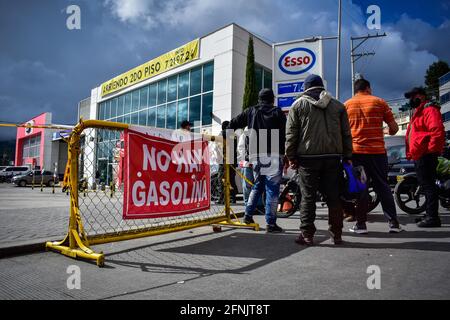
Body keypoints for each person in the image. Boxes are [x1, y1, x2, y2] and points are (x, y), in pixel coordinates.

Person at [286, 74, 352, 245]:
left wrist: (291, 156)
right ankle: (336, 234)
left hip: (308, 159)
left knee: (308, 197)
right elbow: (346, 134)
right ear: (321, 87)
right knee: (333, 197)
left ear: (305, 88)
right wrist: (348, 156)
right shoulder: (338, 106)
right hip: (332, 158)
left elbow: (291, 134)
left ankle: (307, 235)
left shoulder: (298, 105)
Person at [344, 78, 403, 234]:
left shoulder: (346, 105)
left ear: (355, 90)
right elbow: (394, 128)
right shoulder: (379, 102)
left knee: (361, 189)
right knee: (383, 187)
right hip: (377, 154)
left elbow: (342, 132)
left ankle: (361, 225)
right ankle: (393, 223)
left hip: (357, 155)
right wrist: (384, 131)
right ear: (368, 88)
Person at [229, 88, 286, 233]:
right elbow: (287, 132)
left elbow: (234, 122)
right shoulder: (278, 112)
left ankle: (248, 216)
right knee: (272, 190)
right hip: (273, 155)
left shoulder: (251, 111)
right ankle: (271, 223)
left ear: (259, 99)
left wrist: (227, 132)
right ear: (272, 99)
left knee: (258, 185)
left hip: (255, 155)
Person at [404, 87, 445, 228]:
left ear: (421, 96)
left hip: (426, 155)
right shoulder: (419, 112)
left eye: (412, 97)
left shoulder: (429, 110)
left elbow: (437, 131)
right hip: (421, 154)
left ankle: (432, 217)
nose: (410, 100)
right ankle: (429, 214)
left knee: (428, 186)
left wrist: (431, 150)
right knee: (426, 185)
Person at [216, 121, 238, 204]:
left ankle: (222, 198)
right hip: (232, 161)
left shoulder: (222, 134)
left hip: (223, 161)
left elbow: (219, 147)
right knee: (231, 180)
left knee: (221, 179)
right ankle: (232, 198)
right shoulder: (234, 135)